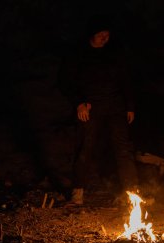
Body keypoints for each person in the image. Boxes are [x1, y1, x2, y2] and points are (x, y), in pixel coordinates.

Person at [57, 15, 138, 204]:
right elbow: (65, 82)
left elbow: (126, 80)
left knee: (123, 149)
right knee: (85, 148)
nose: (104, 37)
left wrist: (130, 106)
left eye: (107, 34)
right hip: (90, 107)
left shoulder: (114, 53)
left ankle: (132, 192)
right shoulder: (78, 54)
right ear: (92, 34)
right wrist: (79, 102)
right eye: (101, 34)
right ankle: (78, 190)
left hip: (116, 106)